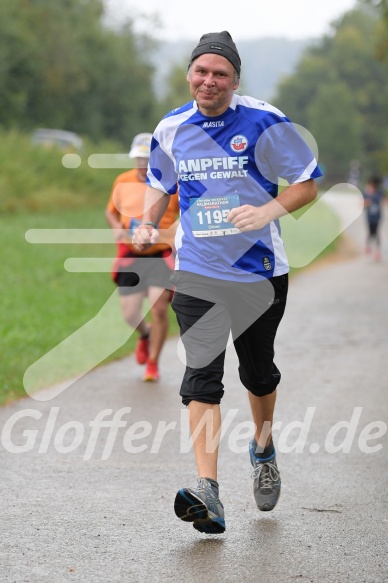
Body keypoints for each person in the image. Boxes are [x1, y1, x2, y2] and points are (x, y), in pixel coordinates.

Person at [133, 31, 322, 534]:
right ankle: (208, 490)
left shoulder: (265, 121)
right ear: (189, 74)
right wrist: (150, 220)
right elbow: (160, 181)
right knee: (201, 375)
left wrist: (266, 211)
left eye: (220, 73)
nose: (209, 81)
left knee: (258, 373)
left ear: (235, 79)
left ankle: (263, 447)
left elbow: (307, 182)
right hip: (196, 270)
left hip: (259, 271)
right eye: (201, 71)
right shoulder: (172, 126)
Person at [105, 133, 179, 381]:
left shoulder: (170, 183)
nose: (142, 163)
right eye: (139, 158)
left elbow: (185, 214)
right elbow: (110, 212)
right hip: (131, 254)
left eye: (147, 158)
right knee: (129, 313)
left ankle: (153, 363)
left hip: (161, 255)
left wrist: (175, 234)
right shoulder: (122, 181)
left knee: (158, 309)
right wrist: (116, 226)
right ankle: (145, 335)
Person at [362, 176, 384, 262]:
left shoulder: (379, 193)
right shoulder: (366, 193)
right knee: (370, 232)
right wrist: (367, 203)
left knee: (377, 233)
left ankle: (377, 251)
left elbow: (383, 201)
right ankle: (368, 246)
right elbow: (363, 205)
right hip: (369, 216)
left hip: (377, 216)